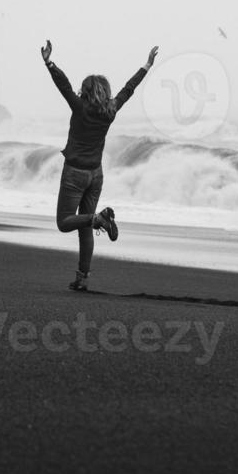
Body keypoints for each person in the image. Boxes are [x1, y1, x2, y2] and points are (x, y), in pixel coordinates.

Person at [41, 39, 159, 291]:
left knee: (65, 222)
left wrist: (49, 63)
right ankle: (82, 279)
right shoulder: (111, 110)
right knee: (86, 225)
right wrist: (147, 66)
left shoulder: (79, 107)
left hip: (74, 174)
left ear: (85, 91)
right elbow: (129, 89)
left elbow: (63, 86)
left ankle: (99, 218)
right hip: (96, 175)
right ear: (105, 92)